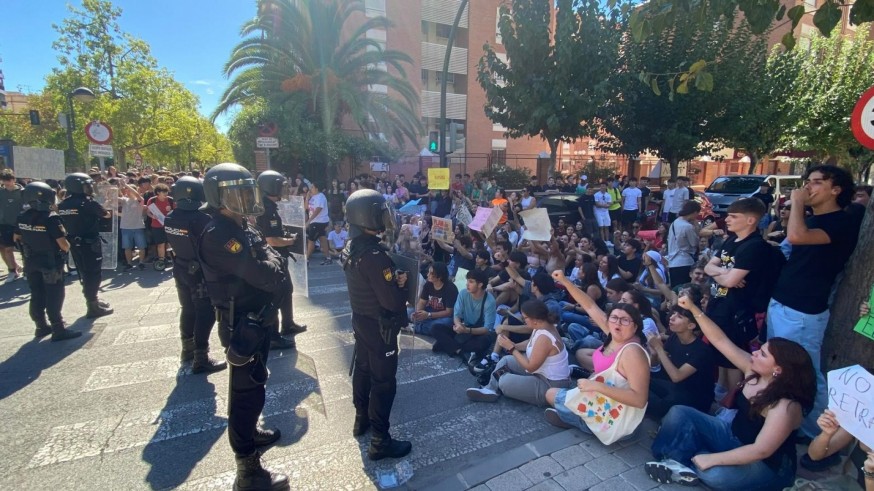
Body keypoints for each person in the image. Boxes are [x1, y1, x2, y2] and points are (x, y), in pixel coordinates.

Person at [646, 294, 815, 490]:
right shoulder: (753, 371)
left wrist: (714, 459)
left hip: (766, 465)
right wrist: (693, 309)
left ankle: (687, 458)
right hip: (733, 436)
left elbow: (761, 450)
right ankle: (672, 461)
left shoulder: (786, 406)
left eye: (762, 354)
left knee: (714, 474)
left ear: (778, 369)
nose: (754, 353)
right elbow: (719, 340)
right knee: (679, 412)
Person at [197, 164, 288, 490]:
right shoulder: (221, 234)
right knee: (245, 395)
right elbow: (267, 272)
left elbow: (269, 260)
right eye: (238, 193)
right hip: (242, 326)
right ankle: (247, 469)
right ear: (218, 197)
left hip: (258, 320)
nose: (246, 199)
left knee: (255, 387)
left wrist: (268, 258)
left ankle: (250, 434)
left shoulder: (240, 226)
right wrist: (270, 259)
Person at [766, 164, 859, 438]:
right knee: (780, 368)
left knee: (805, 373)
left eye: (817, 182)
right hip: (783, 302)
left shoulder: (841, 222)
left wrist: (796, 203)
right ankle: (787, 424)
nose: (808, 187)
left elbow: (797, 237)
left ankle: (816, 433)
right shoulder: (814, 219)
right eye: (808, 181)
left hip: (803, 310)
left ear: (836, 189)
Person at [341, 188, 412, 461]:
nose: (385, 218)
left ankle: (362, 418)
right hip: (380, 326)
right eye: (380, 213)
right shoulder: (374, 256)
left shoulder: (352, 248)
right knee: (383, 382)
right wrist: (400, 285)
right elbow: (392, 302)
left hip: (361, 319)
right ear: (367, 217)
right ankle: (380, 441)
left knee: (362, 368)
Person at [543, 270, 651, 437]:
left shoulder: (633, 352)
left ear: (636, 326)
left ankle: (576, 421)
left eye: (625, 320)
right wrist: (565, 281)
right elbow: (590, 305)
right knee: (553, 393)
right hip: (601, 400)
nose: (618, 322)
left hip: (618, 419)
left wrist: (595, 385)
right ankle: (574, 417)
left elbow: (639, 399)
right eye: (614, 318)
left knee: (552, 395)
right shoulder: (614, 331)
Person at [704, 198, 771, 393]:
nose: (727, 220)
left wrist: (724, 275)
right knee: (720, 354)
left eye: (733, 216)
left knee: (732, 357)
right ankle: (721, 390)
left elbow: (731, 282)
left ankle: (732, 400)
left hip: (737, 311)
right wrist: (726, 273)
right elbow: (708, 267)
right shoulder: (731, 240)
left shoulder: (754, 246)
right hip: (719, 304)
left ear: (750, 220)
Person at [163, 177, 226, 374]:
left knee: (188, 309)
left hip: (181, 267)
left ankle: (187, 349)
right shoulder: (201, 220)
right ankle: (201, 356)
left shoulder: (171, 216)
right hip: (199, 272)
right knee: (205, 312)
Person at [466, 299, 571, 406]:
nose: (524, 321)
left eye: (525, 318)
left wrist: (512, 348)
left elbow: (530, 367)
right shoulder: (542, 325)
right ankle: (490, 389)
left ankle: (499, 386)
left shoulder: (545, 337)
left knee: (504, 382)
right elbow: (530, 343)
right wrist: (514, 345)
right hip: (541, 374)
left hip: (550, 385)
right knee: (506, 360)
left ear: (535, 319)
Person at [14, 182, 80, 341]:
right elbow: (63, 245)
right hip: (50, 262)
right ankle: (58, 328)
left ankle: (41, 326)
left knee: (37, 293)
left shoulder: (22, 216)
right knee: (54, 294)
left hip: (31, 261)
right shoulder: (51, 218)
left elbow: (17, 239)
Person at [255, 171, 306, 350]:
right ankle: (274, 336)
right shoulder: (266, 209)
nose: (284, 189)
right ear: (271, 187)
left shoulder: (269, 205)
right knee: (276, 296)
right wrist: (291, 241)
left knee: (286, 290)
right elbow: (271, 239)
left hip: (278, 257)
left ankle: (288, 324)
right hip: (273, 259)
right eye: (281, 186)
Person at [57, 173, 113, 318]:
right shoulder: (88, 203)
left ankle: (93, 300)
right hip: (89, 243)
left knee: (84, 273)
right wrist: (105, 205)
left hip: (74, 244)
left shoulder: (63, 204)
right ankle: (92, 306)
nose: (90, 187)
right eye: (87, 185)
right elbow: (106, 215)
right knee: (93, 274)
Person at [431, 268, 497, 362]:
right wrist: (458, 325)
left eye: (471, 282)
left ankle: (448, 344)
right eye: (467, 281)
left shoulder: (489, 301)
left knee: (484, 342)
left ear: (480, 284)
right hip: (463, 327)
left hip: (477, 332)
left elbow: (487, 329)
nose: (467, 284)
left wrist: (467, 330)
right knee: (435, 328)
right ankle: (459, 351)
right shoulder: (463, 293)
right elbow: (456, 314)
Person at [408, 262, 458, 336]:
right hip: (430, 310)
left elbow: (449, 312)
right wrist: (417, 313)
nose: (428, 275)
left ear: (439, 276)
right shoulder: (428, 284)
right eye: (428, 272)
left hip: (445, 316)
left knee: (435, 326)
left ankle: (415, 327)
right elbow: (422, 302)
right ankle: (419, 326)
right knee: (408, 312)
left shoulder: (450, 288)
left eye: (431, 273)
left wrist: (428, 315)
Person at [666, 201, 701, 288]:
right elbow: (694, 243)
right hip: (685, 261)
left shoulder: (675, 222)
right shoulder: (688, 226)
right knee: (685, 289)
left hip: (673, 261)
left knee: (676, 289)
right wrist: (697, 228)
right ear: (694, 212)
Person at [0, 169, 24, 283]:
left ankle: (28, 270)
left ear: (14, 180)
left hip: (20, 224)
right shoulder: (1, 192)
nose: (7, 183)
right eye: (4, 181)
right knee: (8, 249)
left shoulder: (22, 192)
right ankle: (12, 271)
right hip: (5, 224)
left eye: (9, 180)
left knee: (24, 249)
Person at [145, 183, 175, 270]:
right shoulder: (152, 200)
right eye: (163, 193)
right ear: (158, 192)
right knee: (160, 244)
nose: (166, 195)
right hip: (157, 225)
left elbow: (176, 212)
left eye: (166, 192)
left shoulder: (170, 200)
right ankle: (161, 260)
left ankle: (171, 259)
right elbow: (148, 212)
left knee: (170, 243)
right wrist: (152, 216)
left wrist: (171, 212)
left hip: (169, 225)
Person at [306, 181, 332, 265]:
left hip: (319, 221)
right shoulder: (312, 197)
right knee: (322, 238)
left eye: (312, 187)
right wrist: (307, 197)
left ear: (317, 188)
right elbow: (306, 207)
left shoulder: (321, 197)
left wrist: (309, 221)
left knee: (311, 240)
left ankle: (306, 259)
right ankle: (328, 257)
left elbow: (318, 209)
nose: (310, 189)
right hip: (315, 221)